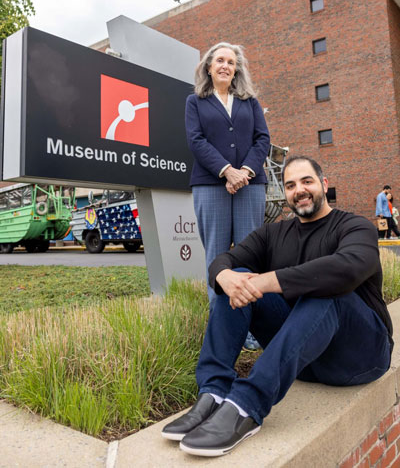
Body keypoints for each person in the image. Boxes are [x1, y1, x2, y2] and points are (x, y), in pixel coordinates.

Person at [162, 156, 393, 457]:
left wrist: (267, 281)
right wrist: (225, 276)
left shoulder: (354, 226)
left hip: (360, 355)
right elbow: (224, 260)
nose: (300, 190)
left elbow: (348, 269)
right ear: (285, 193)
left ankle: (246, 406)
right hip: (306, 359)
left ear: (323, 184)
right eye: (290, 185)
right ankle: (213, 392)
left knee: (324, 289)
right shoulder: (273, 234)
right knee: (238, 280)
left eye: (307, 181)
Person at [185, 42, 270, 350]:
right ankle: (221, 329)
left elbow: (263, 139)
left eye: (231, 62)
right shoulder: (195, 101)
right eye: (219, 60)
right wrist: (225, 170)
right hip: (210, 184)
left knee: (250, 255)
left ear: (237, 69)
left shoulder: (250, 101)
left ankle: (251, 327)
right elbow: (195, 140)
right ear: (209, 67)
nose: (225, 65)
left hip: (250, 184)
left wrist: (244, 171)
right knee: (217, 256)